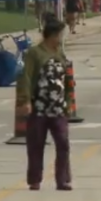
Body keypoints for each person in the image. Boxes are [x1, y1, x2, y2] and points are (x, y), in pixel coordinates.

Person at [15, 19, 73, 191]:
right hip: (39, 107)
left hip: (58, 108)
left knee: (63, 143)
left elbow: (68, 80)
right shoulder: (35, 53)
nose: (61, 38)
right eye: (60, 34)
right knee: (36, 144)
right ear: (52, 35)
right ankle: (34, 179)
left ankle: (62, 179)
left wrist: (68, 103)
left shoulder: (60, 53)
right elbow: (25, 77)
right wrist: (25, 100)